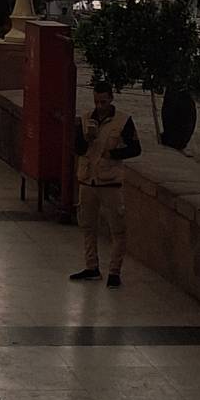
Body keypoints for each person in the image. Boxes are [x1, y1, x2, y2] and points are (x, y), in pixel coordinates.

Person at [70, 81, 141, 289]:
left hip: (110, 182)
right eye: (96, 102)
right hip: (88, 180)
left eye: (103, 102)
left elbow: (135, 149)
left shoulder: (123, 121)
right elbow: (77, 148)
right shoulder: (85, 119)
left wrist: (114, 153)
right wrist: (86, 139)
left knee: (117, 229)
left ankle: (114, 271)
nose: (99, 106)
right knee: (88, 226)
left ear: (111, 99)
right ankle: (91, 266)